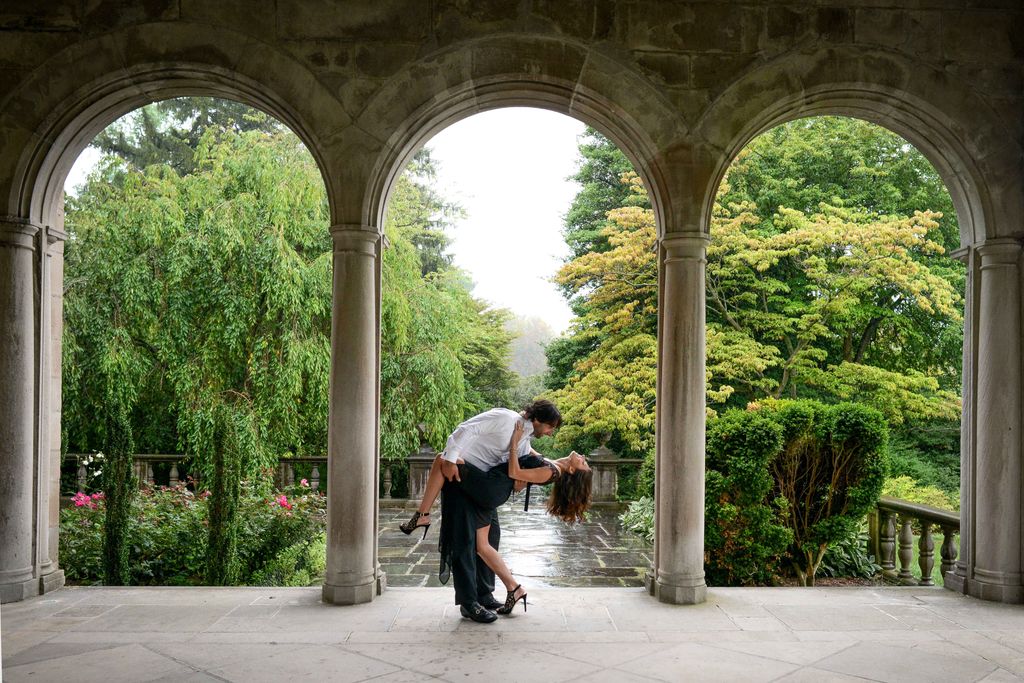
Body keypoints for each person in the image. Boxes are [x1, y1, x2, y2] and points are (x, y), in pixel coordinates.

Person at [400, 401, 593, 622]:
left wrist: (521, 471)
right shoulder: (508, 422)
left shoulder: (524, 440)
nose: (551, 433)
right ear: (537, 421)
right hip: (476, 483)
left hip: (486, 486)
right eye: (551, 427)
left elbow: (522, 466)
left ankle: (485, 592)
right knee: (471, 540)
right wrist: (452, 458)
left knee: (484, 540)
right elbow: (467, 430)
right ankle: (472, 601)